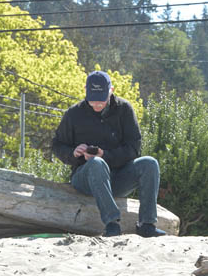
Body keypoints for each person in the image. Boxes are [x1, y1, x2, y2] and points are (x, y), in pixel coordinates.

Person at [52, 70, 167, 238]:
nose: (97, 104)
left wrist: (105, 155)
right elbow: (56, 145)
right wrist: (73, 153)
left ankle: (146, 224)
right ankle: (112, 224)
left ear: (111, 90)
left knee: (150, 163)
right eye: (93, 100)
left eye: (102, 100)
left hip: (118, 177)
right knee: (96, 164)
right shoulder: (73, 114)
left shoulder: (125, 109)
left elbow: (134, 148)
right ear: (85, 90)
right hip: (85, 178)